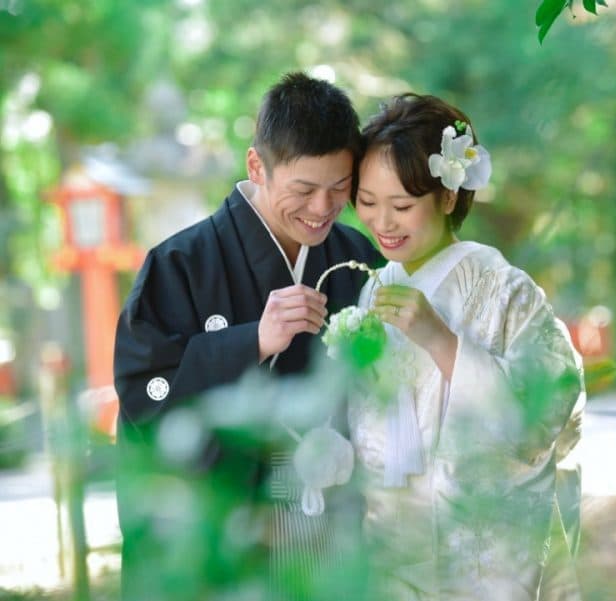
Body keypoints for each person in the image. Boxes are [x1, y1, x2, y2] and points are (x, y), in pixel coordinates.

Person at [113, 71, 381, 600]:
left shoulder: (357, 259)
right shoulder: (179, 264)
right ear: (257, 165)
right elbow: (147, 396)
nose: (322, 209)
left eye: (339, 189)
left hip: (332, 524)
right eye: (304, 189)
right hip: (227, 529)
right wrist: (250, 341)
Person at [347, 93, 585, 600]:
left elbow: (547, 412)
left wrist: (443, 343)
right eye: (367, 202)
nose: (382, 223)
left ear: (449, 197)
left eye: (402, 206)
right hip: (391, 548)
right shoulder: (371, 289)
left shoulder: (504, 289)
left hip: (481, 556)